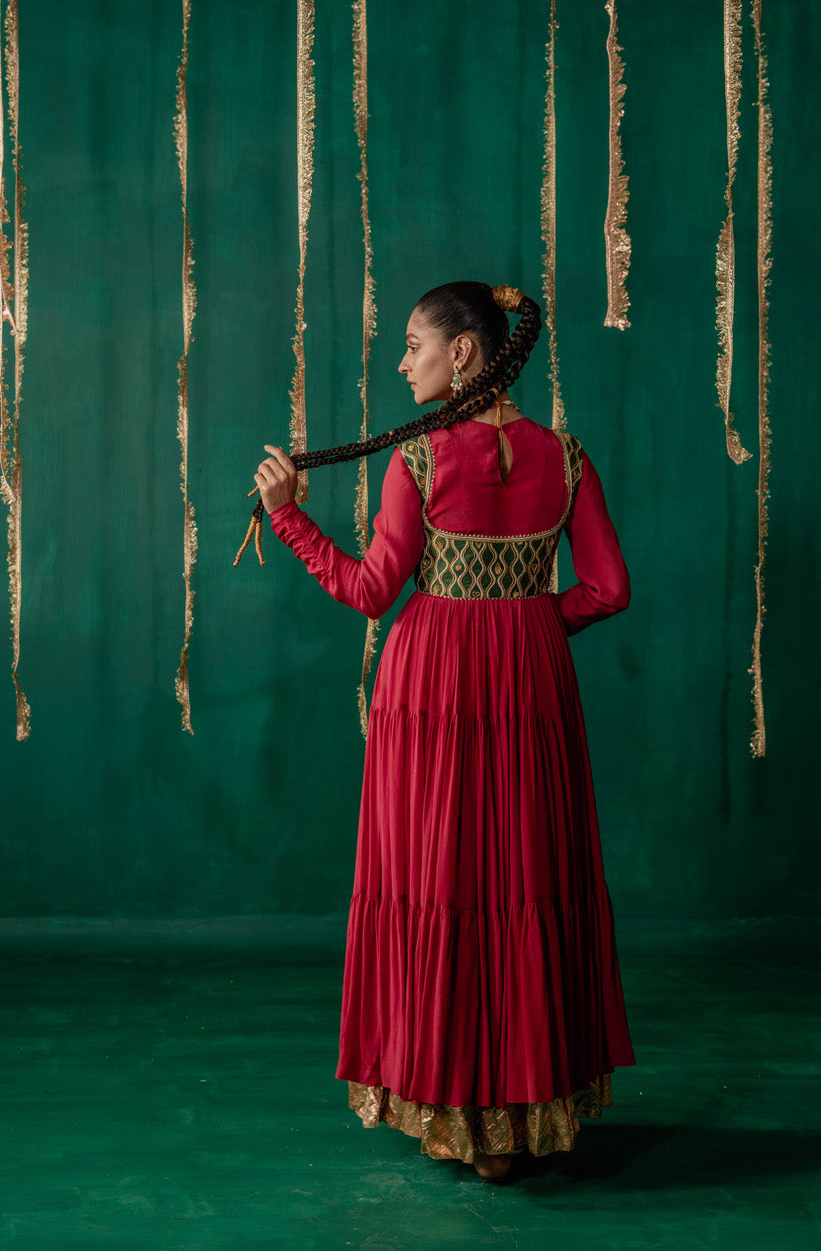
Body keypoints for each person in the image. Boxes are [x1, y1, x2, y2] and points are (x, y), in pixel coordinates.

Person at [247, 280, 636, 1182]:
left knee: (439, 879)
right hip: (532, 685)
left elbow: (373, 592)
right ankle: (526, 1116)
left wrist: (289, 516)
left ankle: (450, 1107)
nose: (402, 360)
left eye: (413, 343)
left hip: (430, 691)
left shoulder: (418, 461)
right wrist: (531, 627)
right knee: (526, 876)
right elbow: (610, 590)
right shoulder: (566, 455)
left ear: (463, 351)